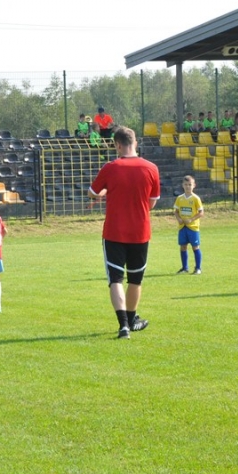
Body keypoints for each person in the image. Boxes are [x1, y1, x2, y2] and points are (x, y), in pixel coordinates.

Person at [89, 126, 160, 339]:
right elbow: (152, 203)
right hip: (140, 232)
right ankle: (132, 318)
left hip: (114, 232)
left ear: (117, 145)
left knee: (116, 279)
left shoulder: (111, 168)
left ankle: (124, 326)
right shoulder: (151, 168)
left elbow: (92, 192)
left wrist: (105, 192)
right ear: (135, 143)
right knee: (135, 280)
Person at [173, 176, 204, 275]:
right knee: (183, 247)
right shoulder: (179, 198)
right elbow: (176, 211)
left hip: (193, 227)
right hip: (183, 227)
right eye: (186, 185)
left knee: (195, 247)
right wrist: (179, 219)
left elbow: (201, 212)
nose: (188, 187)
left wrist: (191, 219)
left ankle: (198, 268)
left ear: (194, 185)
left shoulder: (196, 198)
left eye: (190, 185)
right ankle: (184, 268)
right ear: (182, 185)